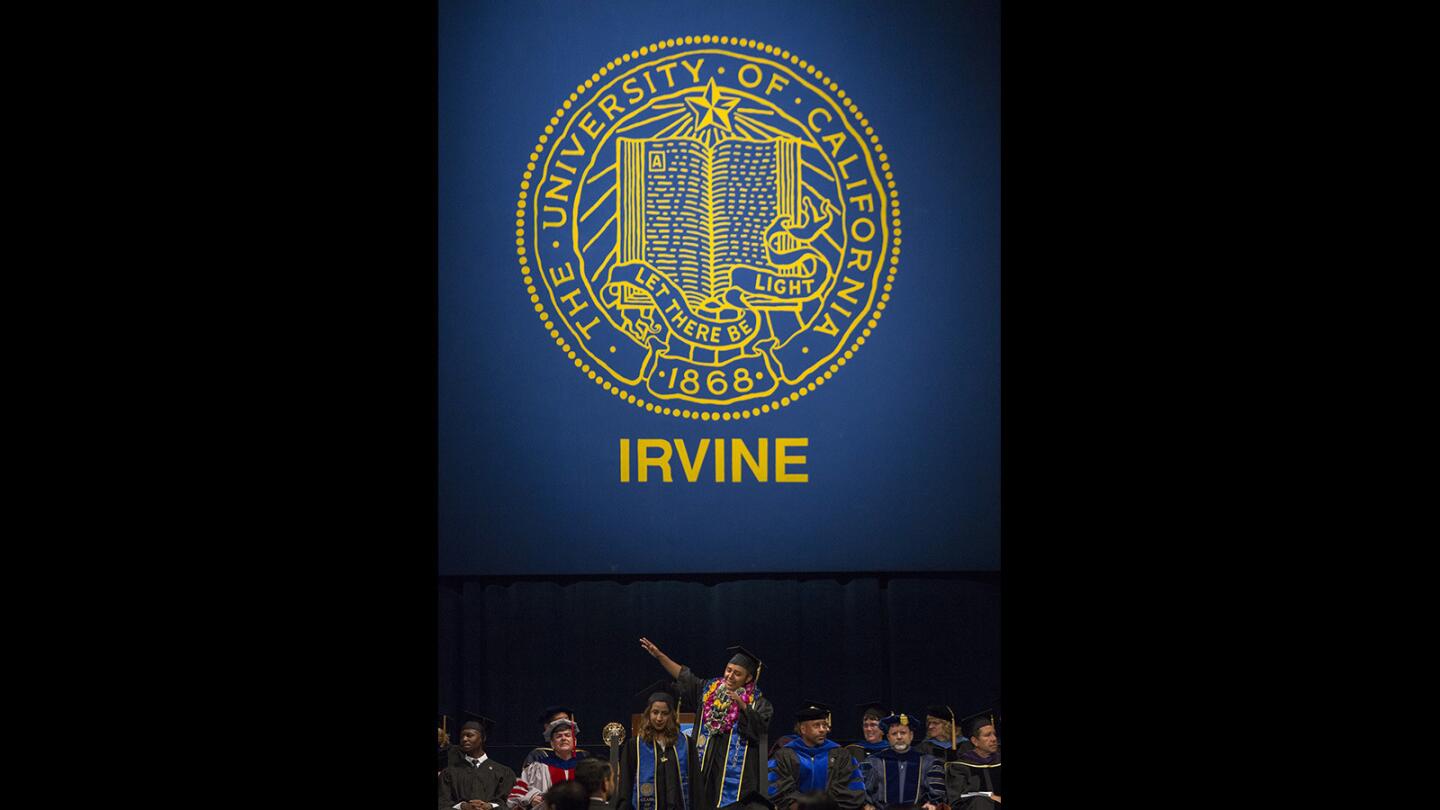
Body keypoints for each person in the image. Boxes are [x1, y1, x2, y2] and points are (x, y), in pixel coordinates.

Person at [639, 637, 774, 810]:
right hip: (704, 770)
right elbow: (684, 676)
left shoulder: (759, 703)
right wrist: (659, 656)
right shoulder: (709, 690)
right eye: (728, 670)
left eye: (737, 673)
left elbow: (760, 729)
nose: (730, 676)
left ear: (748, 679)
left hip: (735, 782)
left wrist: (742, 706)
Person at [767, 701, 866, 810]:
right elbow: (777, 789)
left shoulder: (840, 755)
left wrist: (825, 805)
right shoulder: (784, 755)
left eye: (824, 725)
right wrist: (803, 806)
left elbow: (853, 789)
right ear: (803, 729)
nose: (822, 730)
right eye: (816, 725)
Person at [618, 680, 697, 810]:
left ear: (672, 715)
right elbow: (625, 787)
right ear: (648, 714)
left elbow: (696, 788)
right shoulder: (634, 746)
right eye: (655, 712)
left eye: (664, 713)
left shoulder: (686, 745)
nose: (659, 718)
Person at [861, 713, 944, 810]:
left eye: (903, 733)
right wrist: (867, 805)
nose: (899, 737)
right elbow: (863, 790)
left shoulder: (928, 762)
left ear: (911, 735)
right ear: (888, 737)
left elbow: (937, 792)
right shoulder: (873, 762)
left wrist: (932, 803)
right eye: (894, 734)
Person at [440, 712, 519, 810]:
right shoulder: (449, 773)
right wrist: (463, 806)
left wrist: (489, 806)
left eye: (469, 735)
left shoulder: (503, 772)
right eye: (462, 736)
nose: (464, 739)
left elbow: (510, 803)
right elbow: (442, 804)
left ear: (482, 738)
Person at [511, 718, 590, 807]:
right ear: (552, 744)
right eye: (559, 736)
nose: (563, 738)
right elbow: (516, 794)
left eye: (567, 735)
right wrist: (531, 797)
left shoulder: (585, 767)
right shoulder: (538, 767)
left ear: (574, 741)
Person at [944, 710, 1000, 808]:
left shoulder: (999, 761)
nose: (994, 738)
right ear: (975, 741)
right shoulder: (959, 767)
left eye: (994, 734)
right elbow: (957, 799)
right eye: (987, 735)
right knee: (980, 802)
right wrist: (989, 796)